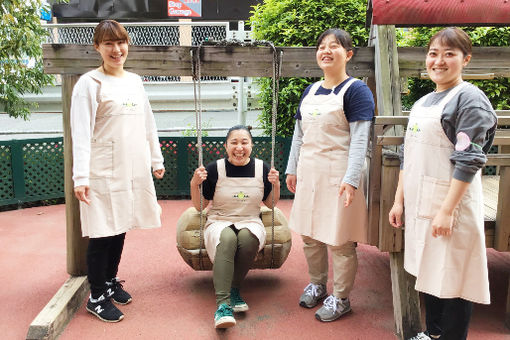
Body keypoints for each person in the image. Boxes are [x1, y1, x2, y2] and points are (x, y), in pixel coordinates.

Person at [389, 27, 496, 340]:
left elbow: (470, 159)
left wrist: (447, 210)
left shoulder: (470, 100)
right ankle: (432, 332)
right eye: (434, 53)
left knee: (454, 277)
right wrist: (399, 200)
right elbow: (409, 156)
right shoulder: (423, 102)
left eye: (450, 53)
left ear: (466, 60)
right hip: (421, 201)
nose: (439, 60)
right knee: (429, 268)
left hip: (453, 204)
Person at [70, 20, 165, 323]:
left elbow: (147, 123)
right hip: (101, 171)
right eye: (108, 43)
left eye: (120, 42)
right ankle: (96, 296)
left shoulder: (135, 81)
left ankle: (110, 281)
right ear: (97, 47)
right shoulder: (89, 84)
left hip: (131, 167)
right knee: (101, 231)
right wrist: (80, 177)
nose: (116, 49)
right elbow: (81, 133)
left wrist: (156, 159)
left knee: (120, 225)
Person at [285, 28, 374, 322]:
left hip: (338, 175)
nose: (326, 51)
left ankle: (341, 298)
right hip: (309, 172)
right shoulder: (309, 91)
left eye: (334, 46)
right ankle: (318, 284)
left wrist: (351, 180)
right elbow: (299, 135)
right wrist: (291, 167)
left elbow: (360, 139)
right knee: (310, 234)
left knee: (340, 239)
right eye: (321, 46)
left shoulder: (356, 90)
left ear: (348, 54)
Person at [190, 125, 281, 329]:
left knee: (248, 239)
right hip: (220, 219)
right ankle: (223, 305)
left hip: (250, 219)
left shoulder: (262, 168)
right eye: (234, 142)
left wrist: (276, 185)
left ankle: (234, 289)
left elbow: (271, 204)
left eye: (244, 142)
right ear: (226, 146)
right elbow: (200, 206)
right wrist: (194, 184)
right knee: (228, 239)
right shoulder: (214, 169)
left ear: (252, 145)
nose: (239, 147)